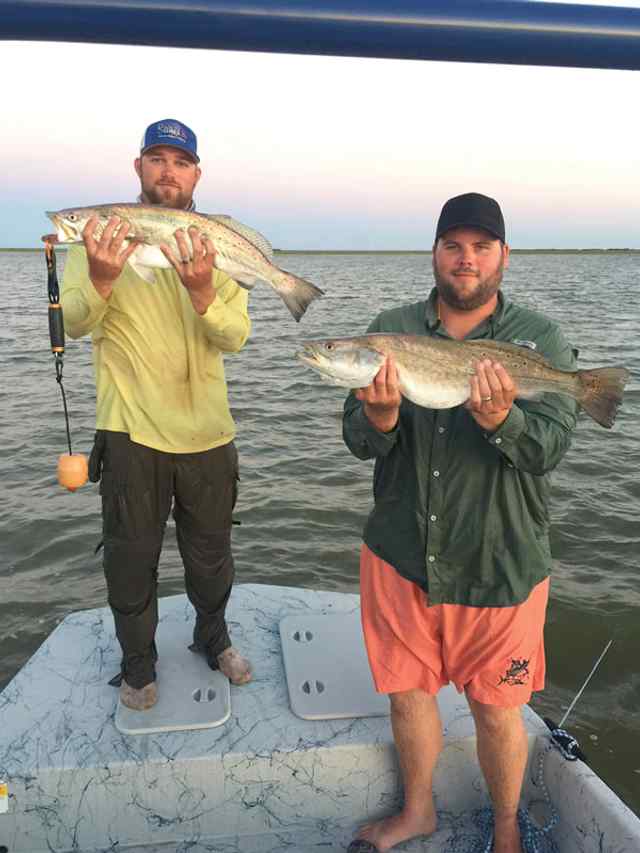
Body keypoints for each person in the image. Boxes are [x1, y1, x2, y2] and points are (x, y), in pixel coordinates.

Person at [343, 193, 579, 853]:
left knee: (499, 708)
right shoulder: (390, 329)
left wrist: (505, 420)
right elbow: (355, 436)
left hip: (500, 562)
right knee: (408, 693)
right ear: (435, 252)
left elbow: (549, 450)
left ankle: (505, 827)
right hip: (401, 555)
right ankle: (417, 809)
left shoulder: (542, 339)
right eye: (454, 244)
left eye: (481, 245)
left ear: (504, 255)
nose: (466, 258)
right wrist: (381, 419)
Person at [61, 119, 253, 711]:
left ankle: (212, 636)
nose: (168, 170)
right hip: (129, 431)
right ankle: (138, 665)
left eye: (180, 161)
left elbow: (236, 335)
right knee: (130, 558)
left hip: (207, 430)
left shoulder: (217, 241)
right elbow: (74, 321)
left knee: (211, 553)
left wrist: (201, 291)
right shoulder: (94, 241)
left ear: (196, 173)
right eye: (157, 159)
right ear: (138, 167)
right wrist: (100, 277)